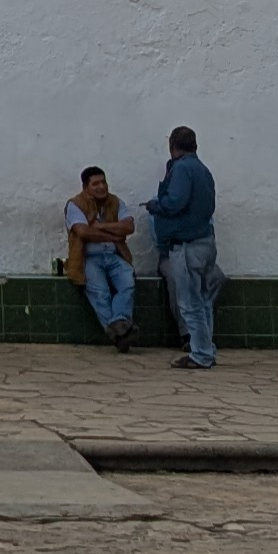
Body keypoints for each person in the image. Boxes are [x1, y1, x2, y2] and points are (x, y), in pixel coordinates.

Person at [149, 125, 220, 371]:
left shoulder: (181, 169)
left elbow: (175, 202)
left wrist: (156, 206)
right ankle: (207, 348)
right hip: (205, 242)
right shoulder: (203, 170)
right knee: (203, 300)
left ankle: (200, 353)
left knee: (190, 303)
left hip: (187, 245)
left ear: (173, 147)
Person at [62, 165, 134, 349]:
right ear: (86, 187)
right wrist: (113, 235)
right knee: (100, 294)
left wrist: (101, 227)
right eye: (95, 184)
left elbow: (129, 227)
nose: (101, 186)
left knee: (127, 283)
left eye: (103, 182)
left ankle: (119, 324)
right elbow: (83, 232)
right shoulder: (75, 205)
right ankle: (121, 335)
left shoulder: (116, 202)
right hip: (89, 258)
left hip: (114, 255)